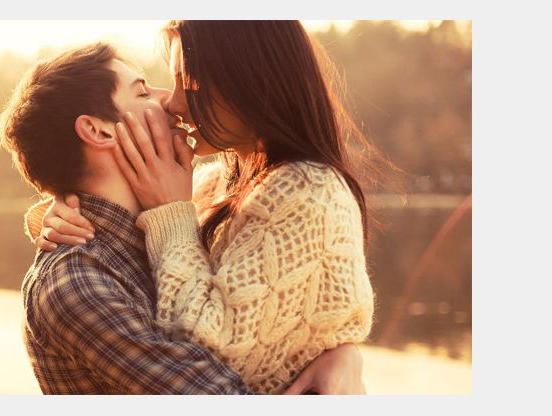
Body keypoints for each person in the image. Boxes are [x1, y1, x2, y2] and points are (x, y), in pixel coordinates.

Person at [31, 20, 377, 394]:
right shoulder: (213, 185)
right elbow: (130, 237)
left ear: (249, 79)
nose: (173, 103)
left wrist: (171, 214)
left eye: (191, 82)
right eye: (164, 84)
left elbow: (206, 364)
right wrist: (63, 210)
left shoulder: (307, 192)